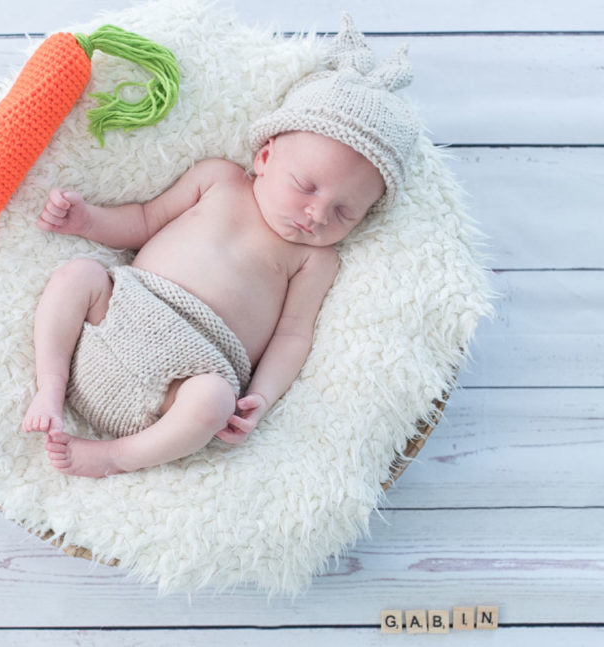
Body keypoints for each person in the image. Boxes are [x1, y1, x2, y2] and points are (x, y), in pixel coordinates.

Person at [21, 14, 420, 477]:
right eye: (306, 186)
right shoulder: (218, 181)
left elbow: (293, 336)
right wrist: (88, 220)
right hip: (118, 316)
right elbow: (146, 220)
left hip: (187, 377)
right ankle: (48, 388)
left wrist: (263, 398)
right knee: (79, 275)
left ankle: (115, 457)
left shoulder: (314, 259)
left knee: (213, 400)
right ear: (266, 157)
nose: (317, 214)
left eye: (345, 212)